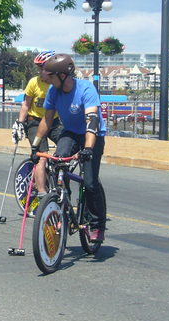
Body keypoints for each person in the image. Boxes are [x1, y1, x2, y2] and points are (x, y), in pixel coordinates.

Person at [31, 54, 107, 242]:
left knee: (89, 182)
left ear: (63, 75)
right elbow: (47, 120)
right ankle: (63, 203)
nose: (46, 78)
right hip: (71, 132)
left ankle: (97, 224)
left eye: (50, 75)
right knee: (58, 162)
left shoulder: (85, 89)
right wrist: (34, 147)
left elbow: (92, 121)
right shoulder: (53, 92)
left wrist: (88, 149)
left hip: (92, 135)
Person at [12, 50, 63, 197]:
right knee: (42, 155)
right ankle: (42, 193)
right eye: (39, 68)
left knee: (68, 146)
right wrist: (20, 123)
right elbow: (26, 105)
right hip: (34, 122)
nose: (40, 71)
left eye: (43, 68)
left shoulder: (57, 83)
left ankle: (57, 177)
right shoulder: (33, 82)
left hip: (53, 122)